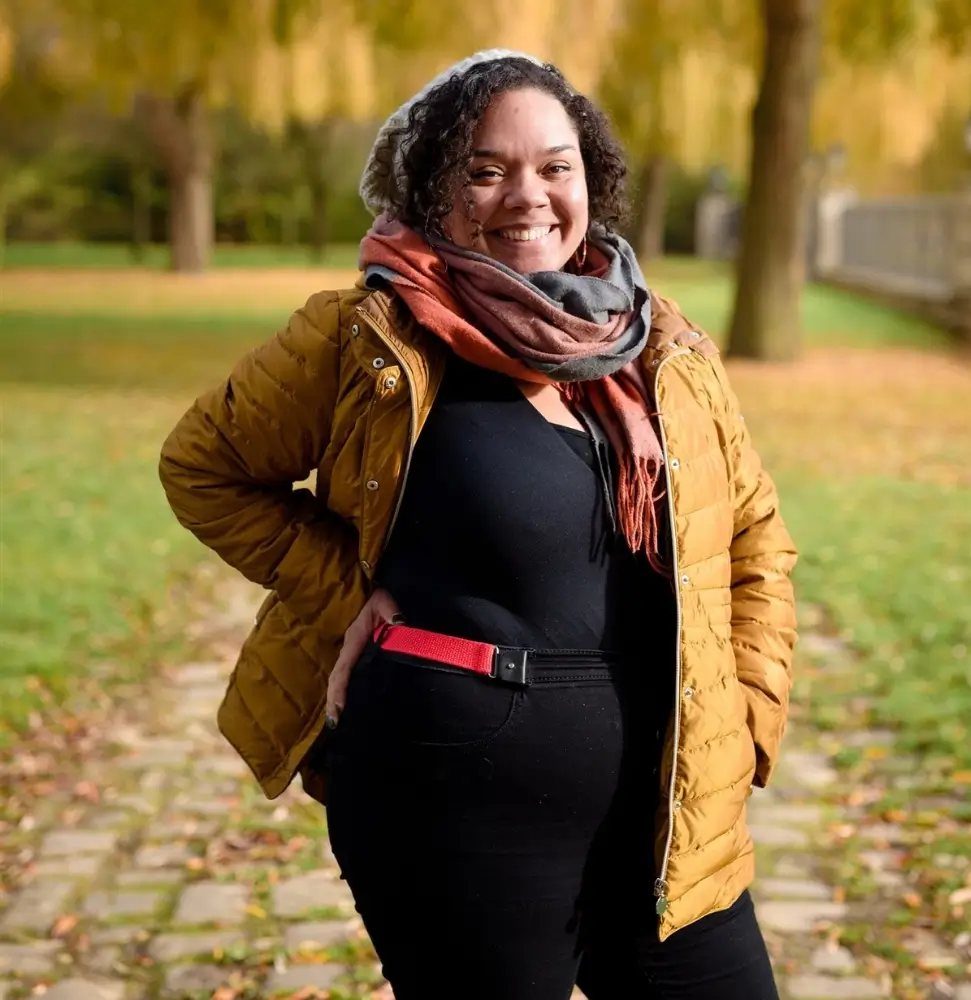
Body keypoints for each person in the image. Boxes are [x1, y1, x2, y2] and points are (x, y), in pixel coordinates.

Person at [159, 49, 798, 1000]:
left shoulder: (662, 347)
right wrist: (347, 593)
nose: (527, 196)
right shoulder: (369, 337)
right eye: (486, 170)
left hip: (672, 806)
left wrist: (748, 717)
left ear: (591, 181)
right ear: (431, 189)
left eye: (555, 166)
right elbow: (204, 466)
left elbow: (755, 538)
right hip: (450, 802)